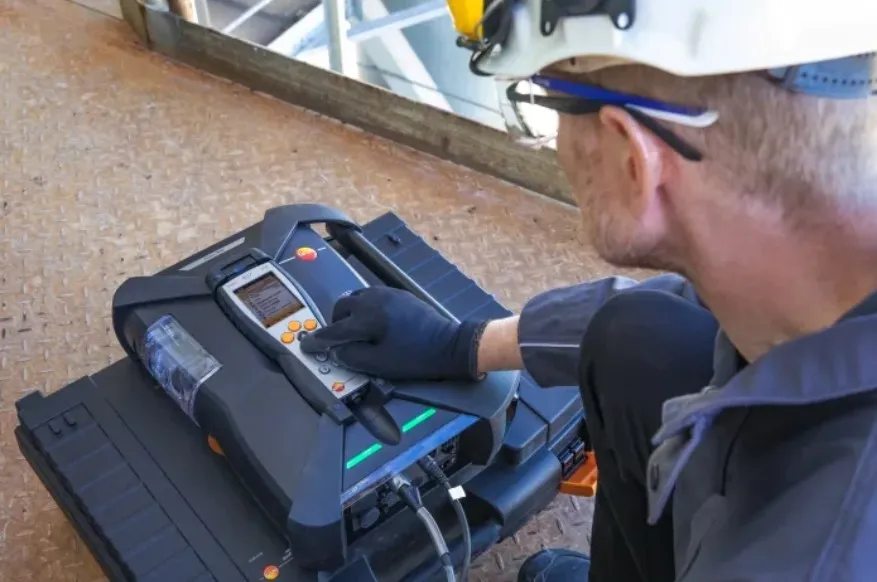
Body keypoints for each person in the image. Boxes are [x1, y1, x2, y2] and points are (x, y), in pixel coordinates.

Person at [301, 3, 877, 580]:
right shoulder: (807, 272)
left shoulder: (809, 556)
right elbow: (686, 305)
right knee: (636, 337)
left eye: (544, 104)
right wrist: (462, 344)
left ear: (634, 158)